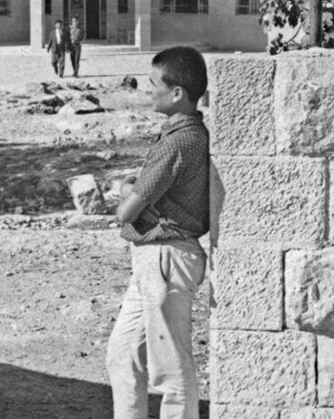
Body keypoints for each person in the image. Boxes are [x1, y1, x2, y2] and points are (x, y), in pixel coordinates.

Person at [106, 46, 210, 419]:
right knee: (122, 356)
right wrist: (135, 192)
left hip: (167, 258)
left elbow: (125, 211)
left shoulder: (180, 141)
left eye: (154, 84)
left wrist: (126, 192)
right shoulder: (181, 136)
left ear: (177, 92)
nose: (149, 91)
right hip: (155, 261)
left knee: (171, 369)